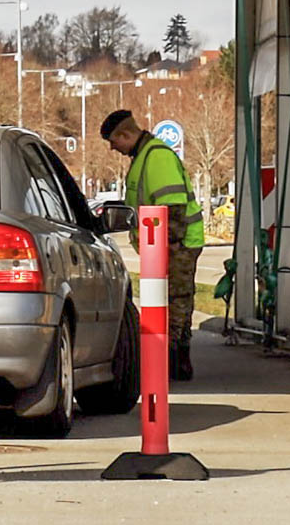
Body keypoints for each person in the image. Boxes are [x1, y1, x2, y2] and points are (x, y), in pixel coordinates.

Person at [100, 109, 203, 380]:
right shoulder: (145, 158)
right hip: (167, 244)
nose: (113, 148)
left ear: (125, 134)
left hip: (176, 243)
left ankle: (173, 360)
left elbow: (174, 208)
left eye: (114, 141)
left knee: (175, 301)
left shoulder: (156, 157)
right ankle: (173, 360)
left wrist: (163, 248)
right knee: (173, 300)